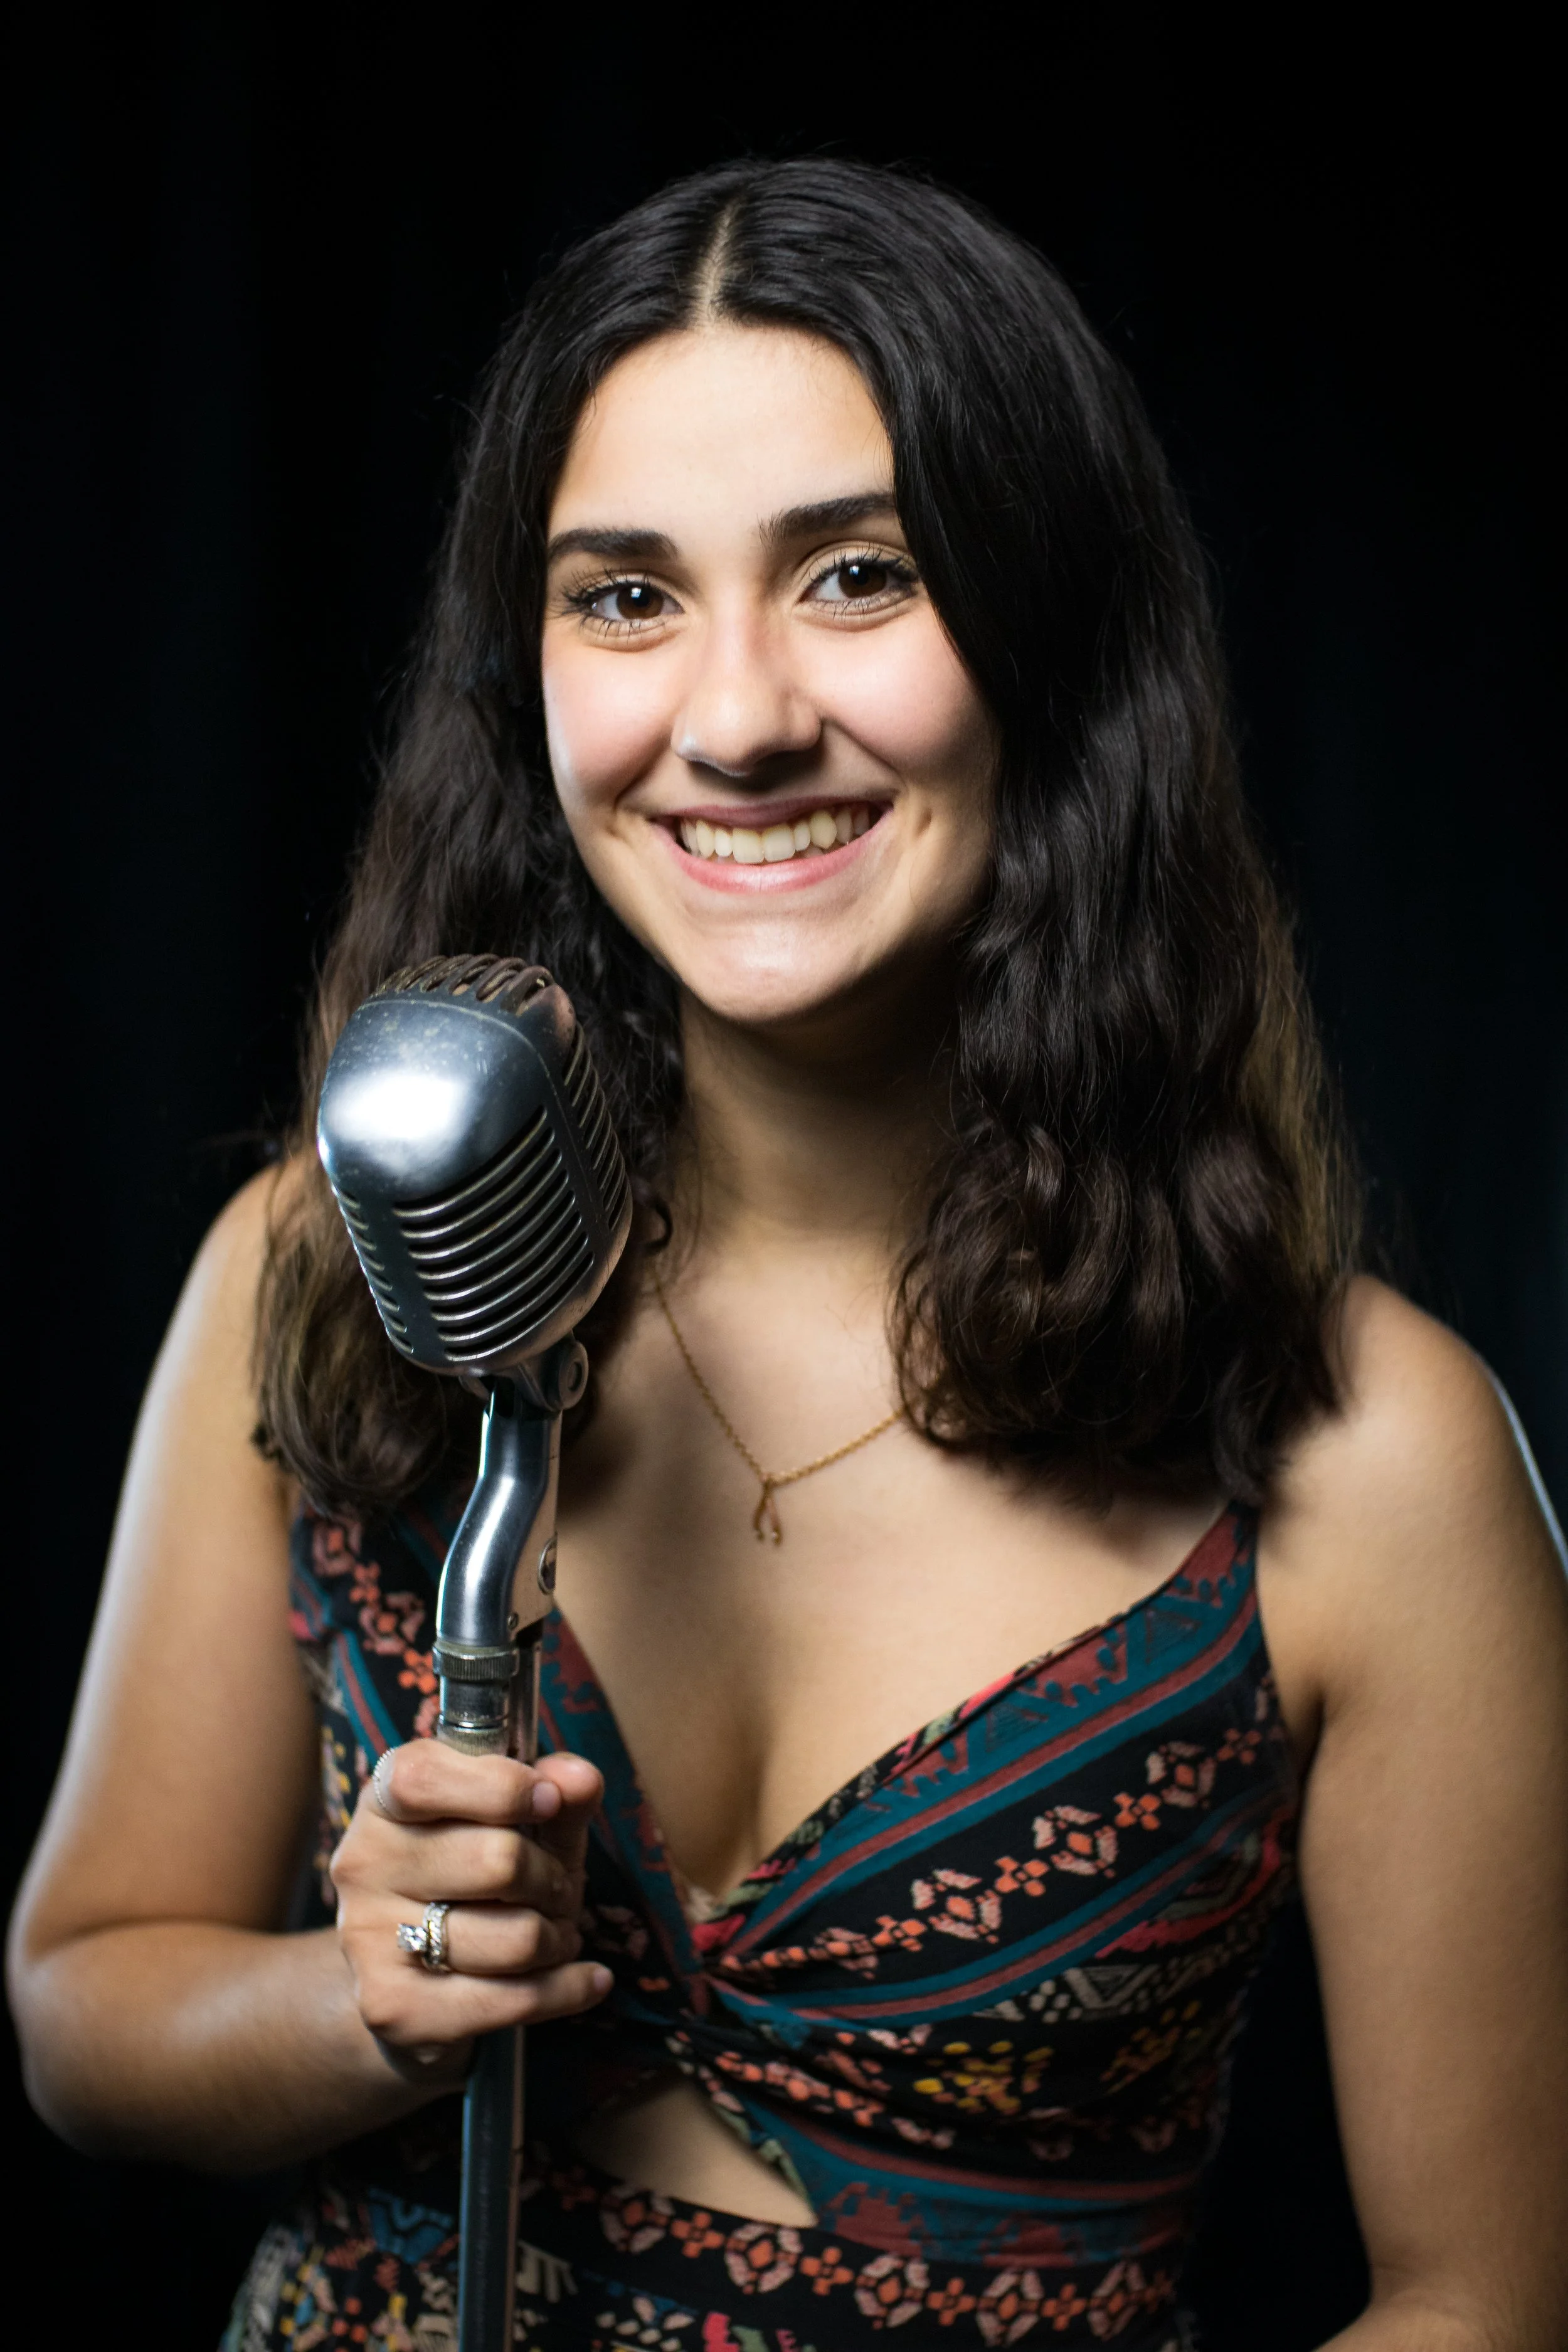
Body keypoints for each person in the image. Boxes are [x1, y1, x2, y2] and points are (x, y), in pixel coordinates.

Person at [9, 159, 1568, 2352]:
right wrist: (375, 1993)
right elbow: (87, 2001)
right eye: (623, 596)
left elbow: (1487, 2296)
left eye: (857, 575)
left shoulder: (1371, 1455)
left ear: (1054, 639)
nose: (733, 719)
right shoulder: (334, 1256)